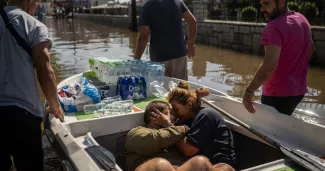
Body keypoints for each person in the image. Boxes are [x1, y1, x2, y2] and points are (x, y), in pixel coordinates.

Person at [0, 0, 64, 170]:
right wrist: (54, 107)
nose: (36, 10)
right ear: (29, 1)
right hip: (22, 114)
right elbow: (45, 72)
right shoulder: (32, 25)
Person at [242, 0, 316, 115]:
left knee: (267, 130)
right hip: (298, 91)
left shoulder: (274, 26)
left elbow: (269, 65)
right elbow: (311, 49)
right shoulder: (302, 19)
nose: (262, 9)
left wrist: (249, 91)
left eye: (266, 3)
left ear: (281, 2)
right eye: (261, 4)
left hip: (276, 94)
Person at [126, 100, 234, 171]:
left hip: (178, 168)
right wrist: (175, 126)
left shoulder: (175, 135)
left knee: (201, 162)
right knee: (161, 165)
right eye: (169, 113)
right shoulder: (137, 132)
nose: (173, 117)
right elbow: (157, 138)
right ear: (153, 116)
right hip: (149, 167)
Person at [152, 82, 237, 168]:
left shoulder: (206, 115)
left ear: (189, 105)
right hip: (201, 164)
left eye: (176, 109)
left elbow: (188, 150)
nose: (174, 112)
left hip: (219, 166)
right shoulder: (186, 119)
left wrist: (167, 124)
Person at [134, 0, 197, 81]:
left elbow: (143, 37)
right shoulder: (178, 2)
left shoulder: (146, 7)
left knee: (160, 91)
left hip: (158, 59)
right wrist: (191, 45)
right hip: (179, 55)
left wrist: (136, 59)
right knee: (181, 90)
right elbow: (192, 21)